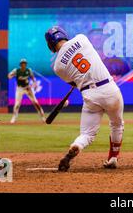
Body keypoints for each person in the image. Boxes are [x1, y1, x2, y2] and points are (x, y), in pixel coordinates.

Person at [45, 26, 124, 171]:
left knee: (87, 134)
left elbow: (74, 83)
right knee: (117, 124)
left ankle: (77, 145)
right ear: (64, 35)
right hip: (109, 89)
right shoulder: (82, 38)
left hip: (90, 96)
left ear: (50, 44)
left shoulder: (57, 67)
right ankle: (113, 158)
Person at [8, 59, 46, 124]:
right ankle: (14, 117)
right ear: (20, 64)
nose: (23, 64)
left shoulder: (28, 70)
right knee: (17, 104)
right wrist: (11, 76)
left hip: (27, 88)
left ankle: (42, 117)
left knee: (36, 103)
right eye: (22, 63)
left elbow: (32, 77)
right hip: (20, 88)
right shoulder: (17, 71)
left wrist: (35, 83)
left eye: (24, 63)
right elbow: (9, 75)